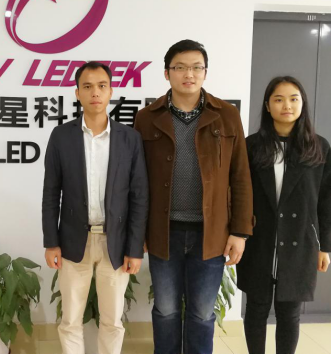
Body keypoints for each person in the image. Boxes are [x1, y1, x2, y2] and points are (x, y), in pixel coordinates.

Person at [134, 39, 254, 354]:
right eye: (180, 67)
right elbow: (137, 182)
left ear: (205, 72)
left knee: (202, 313)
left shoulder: (226, 115)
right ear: (167, 73)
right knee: (166, 310)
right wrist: (138, 231)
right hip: (163, 232)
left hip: (211, 234)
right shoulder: (147, 117)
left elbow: (240, 176)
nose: (189, 74)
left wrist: (240, 231)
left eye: (196, 67)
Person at [42, 61, 149, 354]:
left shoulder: (129, 139)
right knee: (70, 320)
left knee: (112, 321)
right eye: (87, 87)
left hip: (115, 241)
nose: (95, 93)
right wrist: (51, 242)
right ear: (77, 93)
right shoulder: (61, 136)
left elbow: (139, 197)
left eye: (102, 86)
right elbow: (51, 193)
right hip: (73, 241)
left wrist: (135, 248)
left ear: (111, 91)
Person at [237, 76, 331, 354]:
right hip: (260, 239)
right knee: (256, 308)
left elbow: (326, 201)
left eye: (293, 99)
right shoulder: (252, 145)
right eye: (278, 99)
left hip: (300, 240)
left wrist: (325, 246)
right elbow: (239, 194)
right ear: (267, 105)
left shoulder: (319, 147)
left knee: (290, 312)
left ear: (303, 103)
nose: (286, 105)